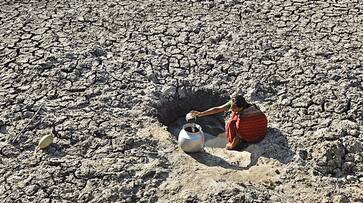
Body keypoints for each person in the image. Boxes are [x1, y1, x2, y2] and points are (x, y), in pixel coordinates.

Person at [190, 94, 268, 150]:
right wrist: (201, 113)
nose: (231, 109)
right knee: (230, 123)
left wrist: (231, 146)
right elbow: (218, 109)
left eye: (234, 108)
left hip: (256, 136)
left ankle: (239, 145)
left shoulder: (244, 119)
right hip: (256, 125)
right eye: (231, 107)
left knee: (231, 124)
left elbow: (238, 136)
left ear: (241, 108)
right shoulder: (236, 104)